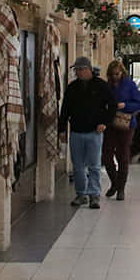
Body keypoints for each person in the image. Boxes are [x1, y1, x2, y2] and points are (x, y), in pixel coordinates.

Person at [57, 56, 116, 209]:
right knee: (77, 165)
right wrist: (62, 129)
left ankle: (94, 194)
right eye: (76, 70)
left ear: (88, 69)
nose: (78, 73)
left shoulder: (101, 86)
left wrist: (104, 123)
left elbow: (112, 106)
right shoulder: (72, 87)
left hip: (94, 132)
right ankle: (81, 193)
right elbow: (65, 109)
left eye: (80, 70)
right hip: (76, 131)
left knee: (94, 165)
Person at [100, 58, 140, 201]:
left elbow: (138, 103)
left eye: (117, 74)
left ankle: (121, 188)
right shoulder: (107, 86)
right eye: (113, 74)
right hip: (110, 124)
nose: (115, 77)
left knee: (123, 155)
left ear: (122, 72)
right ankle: (115, 182)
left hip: (126, 124)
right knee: (106, 154)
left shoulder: (129, 85)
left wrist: (125, 105)